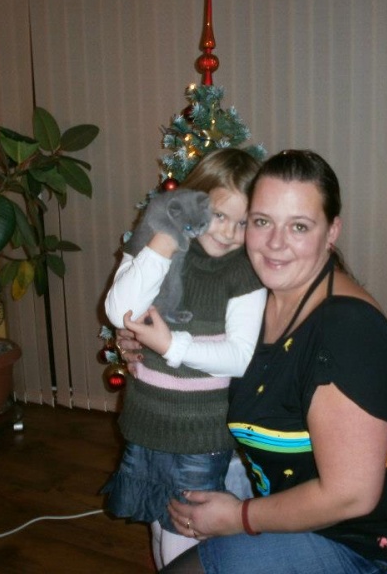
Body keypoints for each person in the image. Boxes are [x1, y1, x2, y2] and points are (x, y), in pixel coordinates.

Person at [144, 149, 387, 573]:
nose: (275, 243)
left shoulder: (348, 334)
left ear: (332, 231)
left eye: (299, 226)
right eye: (261, 221)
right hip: (297, 513)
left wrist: (239, 517)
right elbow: (200, 349)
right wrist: (145, 345)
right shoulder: (254, 296)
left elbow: (351, 495)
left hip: (373, 550)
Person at [102, 148, 266, 570]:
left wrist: (170, 345)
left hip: (199, 436)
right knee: (159, 525)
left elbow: (240, 358)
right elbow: (120, 310)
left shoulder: (244, 271)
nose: (229, 232)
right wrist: (165, 235)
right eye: (219, 215)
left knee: (184, 533)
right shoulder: (160, 246)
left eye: (243, 222)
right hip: (147, 422)